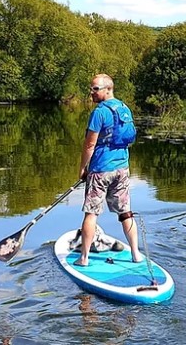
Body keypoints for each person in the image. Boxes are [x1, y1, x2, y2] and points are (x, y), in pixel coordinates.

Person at [74, 73, 142, 266]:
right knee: (125, 212)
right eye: (91, 88)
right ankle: (136, 254)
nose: (91, 92)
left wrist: (82, 169)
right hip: (122, 168)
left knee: (91, 213)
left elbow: (89, 145)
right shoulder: (124, 108)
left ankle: (84, 258)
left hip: (101, 169)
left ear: (108, 89)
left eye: (95, 89)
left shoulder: (99, 112)